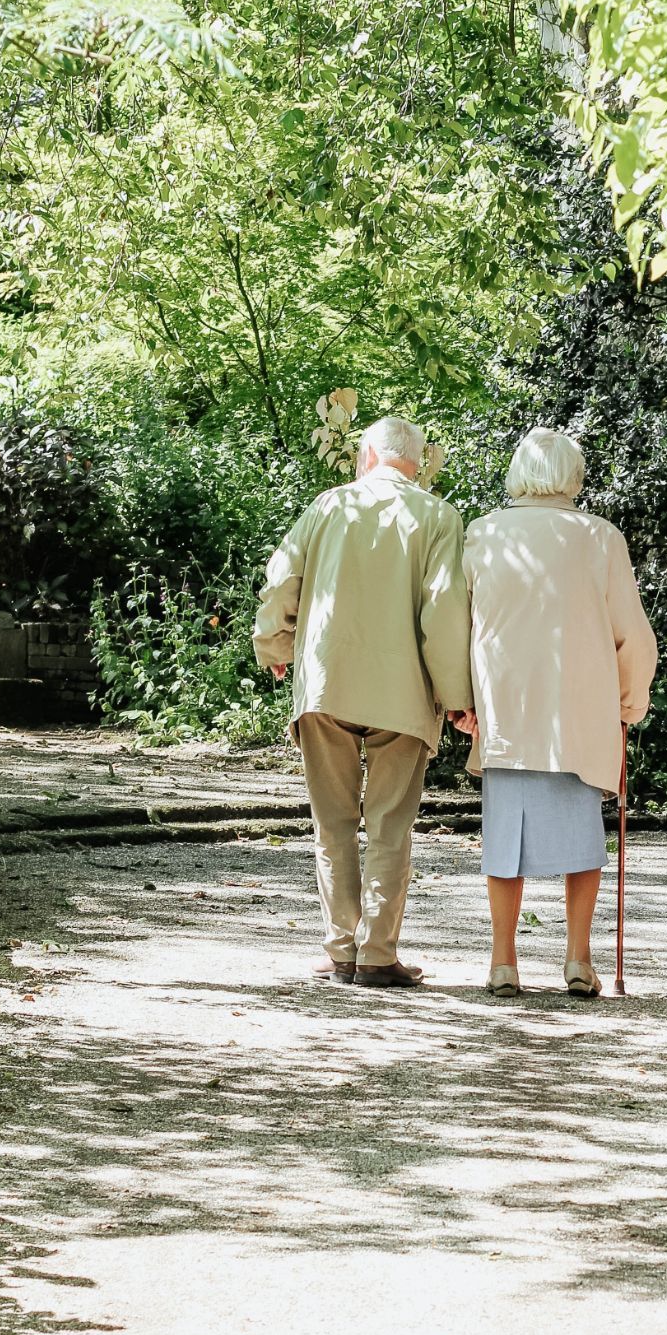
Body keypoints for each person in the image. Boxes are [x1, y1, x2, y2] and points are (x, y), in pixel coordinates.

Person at [253, 415, 472, 988]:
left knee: (332, 823)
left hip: (328, 683)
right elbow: (444, 612)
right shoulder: (439, 516)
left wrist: (274, 644)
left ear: (367, 455)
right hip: (403, 693)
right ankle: (377, 955)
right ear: (416, 463)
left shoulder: (328, 507)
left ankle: (340, 949)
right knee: (389, 826)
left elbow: (282, 581)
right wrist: (456, 697)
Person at [459, 425, 656, 1000]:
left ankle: (503, 962)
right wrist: (629, 701)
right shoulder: (599, 538)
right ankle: (577, 958)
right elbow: (633, 636)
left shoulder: (484, 534)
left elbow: (458, 626)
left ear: (519, 473)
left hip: (508, 710)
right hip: (580, 711)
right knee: (582, 839)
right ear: (573, 476)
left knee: (503, 840)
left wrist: (461, 701)